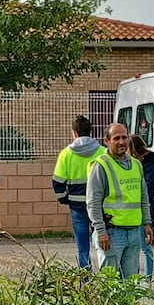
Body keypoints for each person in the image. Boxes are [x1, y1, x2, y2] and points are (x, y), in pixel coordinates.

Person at [87, 123, 153, 279]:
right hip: (111, 233)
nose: (121, 142)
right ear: (106, 141)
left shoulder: (136, 165)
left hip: (134, 232)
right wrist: (101, 231)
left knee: (130, 284)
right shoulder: (101, 166)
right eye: (116, 138)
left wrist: (147, 223)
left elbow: (143, 197)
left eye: (124, 137)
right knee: (109, 285)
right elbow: (93, 202)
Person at [51, 115, 105, 271]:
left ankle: (86, 281)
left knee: (82, 247)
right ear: (91, 131)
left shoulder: (66, 154)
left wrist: (63, 199)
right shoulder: (103, 152)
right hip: (99, 205)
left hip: (76, 205)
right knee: (102, 242)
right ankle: (105, 277)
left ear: (74, 132)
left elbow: (57, 182)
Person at [128, 134, 154, 280]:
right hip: (144, 207)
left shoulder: (146, 164)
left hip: (144, 208)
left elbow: (148, 186)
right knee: (142, 246)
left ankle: (147, 277)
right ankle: (144, 276)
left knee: (144, 246)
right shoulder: (145, 162)